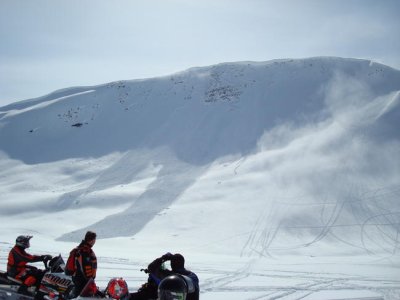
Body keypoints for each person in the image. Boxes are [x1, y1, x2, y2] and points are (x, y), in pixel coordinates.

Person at [130, 253, 199, 300]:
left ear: (172, 264)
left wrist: (164, 257)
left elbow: (151, 267)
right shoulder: (193, 276)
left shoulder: (171, 276)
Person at [69, 231, 98, 297]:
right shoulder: (84, 251)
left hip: (79, 279)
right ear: (91, 240)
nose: (94, 241)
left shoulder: (84, 249)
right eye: (94, 239)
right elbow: (86, 268)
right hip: (82, 281)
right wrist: (90, 281)